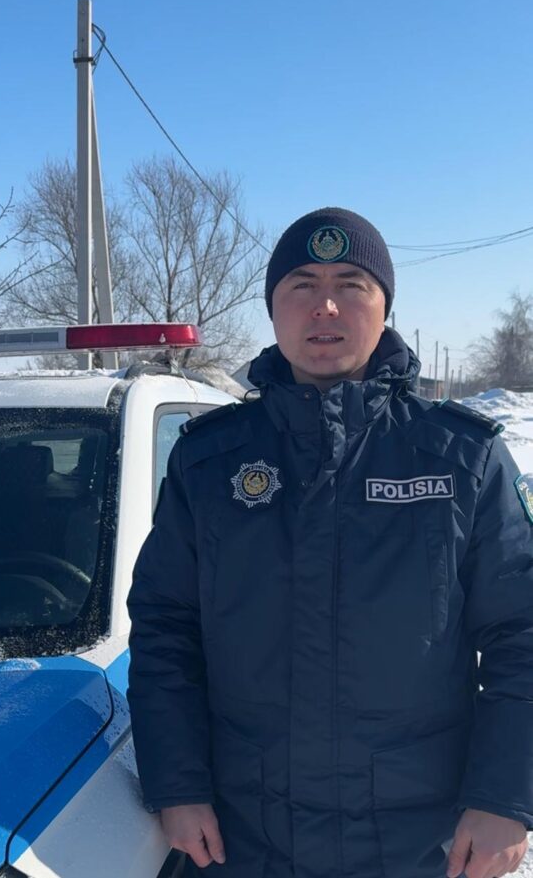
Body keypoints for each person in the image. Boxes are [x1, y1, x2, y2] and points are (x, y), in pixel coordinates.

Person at [127, 208, 533, 878]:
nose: (326, 305)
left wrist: (504, 797)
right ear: (273, 309)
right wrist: (177, 783)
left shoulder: (462, 458)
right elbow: (166, 627)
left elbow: (522, 632)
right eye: (302, 285)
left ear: (384, 307)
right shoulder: (209, 462)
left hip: (419, 843)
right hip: (243, 838)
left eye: (351, 284)